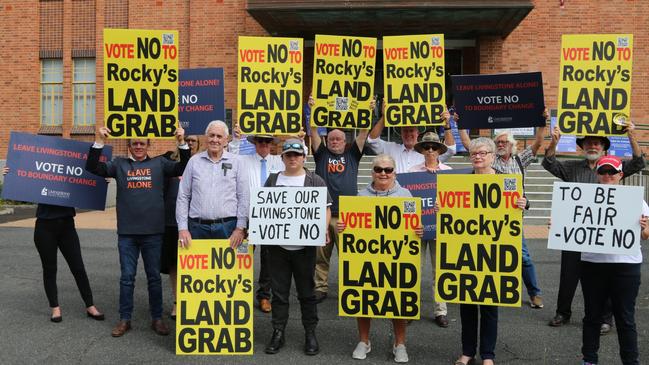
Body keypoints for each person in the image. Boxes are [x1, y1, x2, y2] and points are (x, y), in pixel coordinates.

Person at [85, 126, 189, 337]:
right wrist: (99, 142)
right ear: (129, 146)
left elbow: (183, 167)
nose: (139, 146)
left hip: (153, 232)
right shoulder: (119, 164)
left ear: (148, 145)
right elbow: (92, 167)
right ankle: (125, 319)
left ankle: (157, 319)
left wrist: (181, 142)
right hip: (127, 233)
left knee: (153, 278)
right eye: (135, 143)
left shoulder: (160, 163)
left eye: (142, 143)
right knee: (127, 277)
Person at [542, 123, 645, 331]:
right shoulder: (571, 168)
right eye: (588, 143)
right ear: (582, 146)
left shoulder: (614, 166)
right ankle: (563, 312)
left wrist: (632, 135)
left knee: (604, 277)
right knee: (568, 275)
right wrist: (554, 141)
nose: (592, 146)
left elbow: (639, 161)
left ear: (603, 147)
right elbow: (549, 162)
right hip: (575, 233)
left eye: (597, 143)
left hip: (605, 235)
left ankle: (605, 318)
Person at [448, 137, 527, 365]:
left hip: (493, 255)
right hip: (467, 254)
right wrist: (442, 208)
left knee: (490, 307)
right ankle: (467, 352)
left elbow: (521, 202)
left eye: (483, 153)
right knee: (468, 306)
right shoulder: (460, 183)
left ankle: (488, 355)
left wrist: (524, 203)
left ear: (493, 156)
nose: (478, 157)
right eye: (474, 153)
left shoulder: (507, 182)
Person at [338, 154, 423, 363]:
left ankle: (400, 344)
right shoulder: (360, 196)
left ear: (394, 172)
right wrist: (342, 227)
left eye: (387, 170)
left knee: (398, 299)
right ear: (372, 172)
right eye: (378, 169)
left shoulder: (406, 195)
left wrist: (418, 229)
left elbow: (413, 225)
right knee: (364, 297)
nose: (383, 173)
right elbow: (351, 225)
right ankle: (364, 341)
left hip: (395, 258)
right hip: (367, 257)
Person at [459, 120, 547, 309]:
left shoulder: (520, 159)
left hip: (510, 219)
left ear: (512, 145)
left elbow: (539, 143)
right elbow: (470, 146)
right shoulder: (490, 160)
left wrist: (541, 123)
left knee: (523, 257)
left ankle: (535, 293)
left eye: (504, 142)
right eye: (497, 142)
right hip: (484, 218)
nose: (500, 145)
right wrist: (461, 124)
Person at [2, 167, 104, 323]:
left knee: (78, 267)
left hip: (67, 226)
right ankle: (55, 307)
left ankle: (90, 305)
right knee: (50, 269)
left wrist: (101, 181)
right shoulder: (40, 170)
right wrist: (10, 176)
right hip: (45, 227)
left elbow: (86, 182)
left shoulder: (69, 171)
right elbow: (25, 182)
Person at [263, 139, 332, 356]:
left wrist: (323, 229)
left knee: (307, 293)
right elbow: (264, 208)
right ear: (282, 157)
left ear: (304, 157)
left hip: (304, 248)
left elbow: (326, 208)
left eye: (297, 154)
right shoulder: (273, 180)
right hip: (278, 249)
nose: (293, 158)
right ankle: (278, 332)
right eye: (288, 155)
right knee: (279, 293)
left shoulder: (315, 180)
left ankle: (310, 332)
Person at [577, 156, 649, 365]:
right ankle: (589, 359)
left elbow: (645, 235)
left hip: (626, 266)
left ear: (620, 175)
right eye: (603, 172)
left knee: (625, 318)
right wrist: (558, 225)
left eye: (612, 172)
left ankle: (630, 361)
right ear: (596, 174)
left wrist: (645, 228)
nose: (607, 176)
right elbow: (571, 227)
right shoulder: (583, 198)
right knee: (592, 316)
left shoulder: (636, 200)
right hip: (592, 265)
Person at [309, 96, 376, 303]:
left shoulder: (353, 155)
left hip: (347, 215)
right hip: (324, 213)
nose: (334, 142)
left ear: (345, 141)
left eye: (338, 139)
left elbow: (364, 134)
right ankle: (320, 287)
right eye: (331, 139)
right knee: (321, 256)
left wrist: (370, 111)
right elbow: (313, 132)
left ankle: (352, 286)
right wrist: (312, 111)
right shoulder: (321, 154)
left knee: (350, 254)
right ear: (327, 141)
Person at [176, 120, 249, 249]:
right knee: (198, 270)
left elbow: (243, 196)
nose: (215, 140)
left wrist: (240, 228)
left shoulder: (237, 162)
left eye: (219, 136)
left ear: (226, 140)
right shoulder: (194, 162)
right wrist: (182, 228)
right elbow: (183, 196)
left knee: (226, 270)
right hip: (197, 228)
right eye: (212, 135)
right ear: (206, 138)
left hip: (228, 228)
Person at [408, 132, 452, 327]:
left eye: (434, 147)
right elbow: (406, 201)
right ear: (422, 150)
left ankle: (440, 311)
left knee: (439, 271)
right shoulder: (411, 172)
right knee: (413, 270)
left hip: (440, 229)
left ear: (440, 150)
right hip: (417, 227)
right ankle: (410, 308)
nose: (430, 151)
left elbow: (457, 203)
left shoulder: (449, 172)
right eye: (427, 147)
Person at [159, 134, 201, 319]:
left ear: (199, 145)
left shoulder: (202, 163)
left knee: (195, 265)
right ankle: (177, 303)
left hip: (195, 222)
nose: (190, 143)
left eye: (193, 141)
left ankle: (194, 302)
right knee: (174, 265)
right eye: (187, 140)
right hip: (170, 221)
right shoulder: (168, 161)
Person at [366, 104, 457, 173]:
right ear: (400, 133)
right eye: (405, 130)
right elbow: (372, 140)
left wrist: (447, 125)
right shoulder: (391, 148)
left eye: (411, 130)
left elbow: (451, 149)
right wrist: (384, 117)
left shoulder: (429, 151)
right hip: (397, 195)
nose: (408, 134)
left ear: (418, 132)